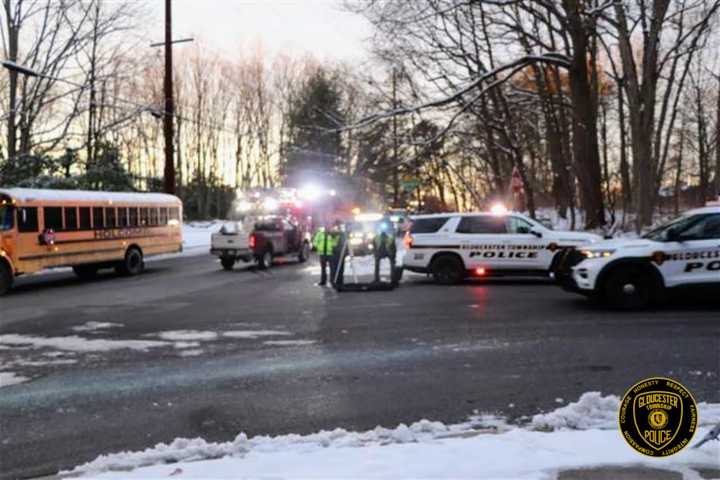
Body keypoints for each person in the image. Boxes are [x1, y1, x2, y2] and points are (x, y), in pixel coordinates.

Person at [373, 218, 397, 284]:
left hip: (388, 252)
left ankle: (393, 279)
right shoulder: (376, 237)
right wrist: (375, 254)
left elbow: (394, 248)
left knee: (393, 264)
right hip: (380, 252)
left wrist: (393, 256)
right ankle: (376, 279)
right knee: (377, 264)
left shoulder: (390, 237)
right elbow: (374, 247)